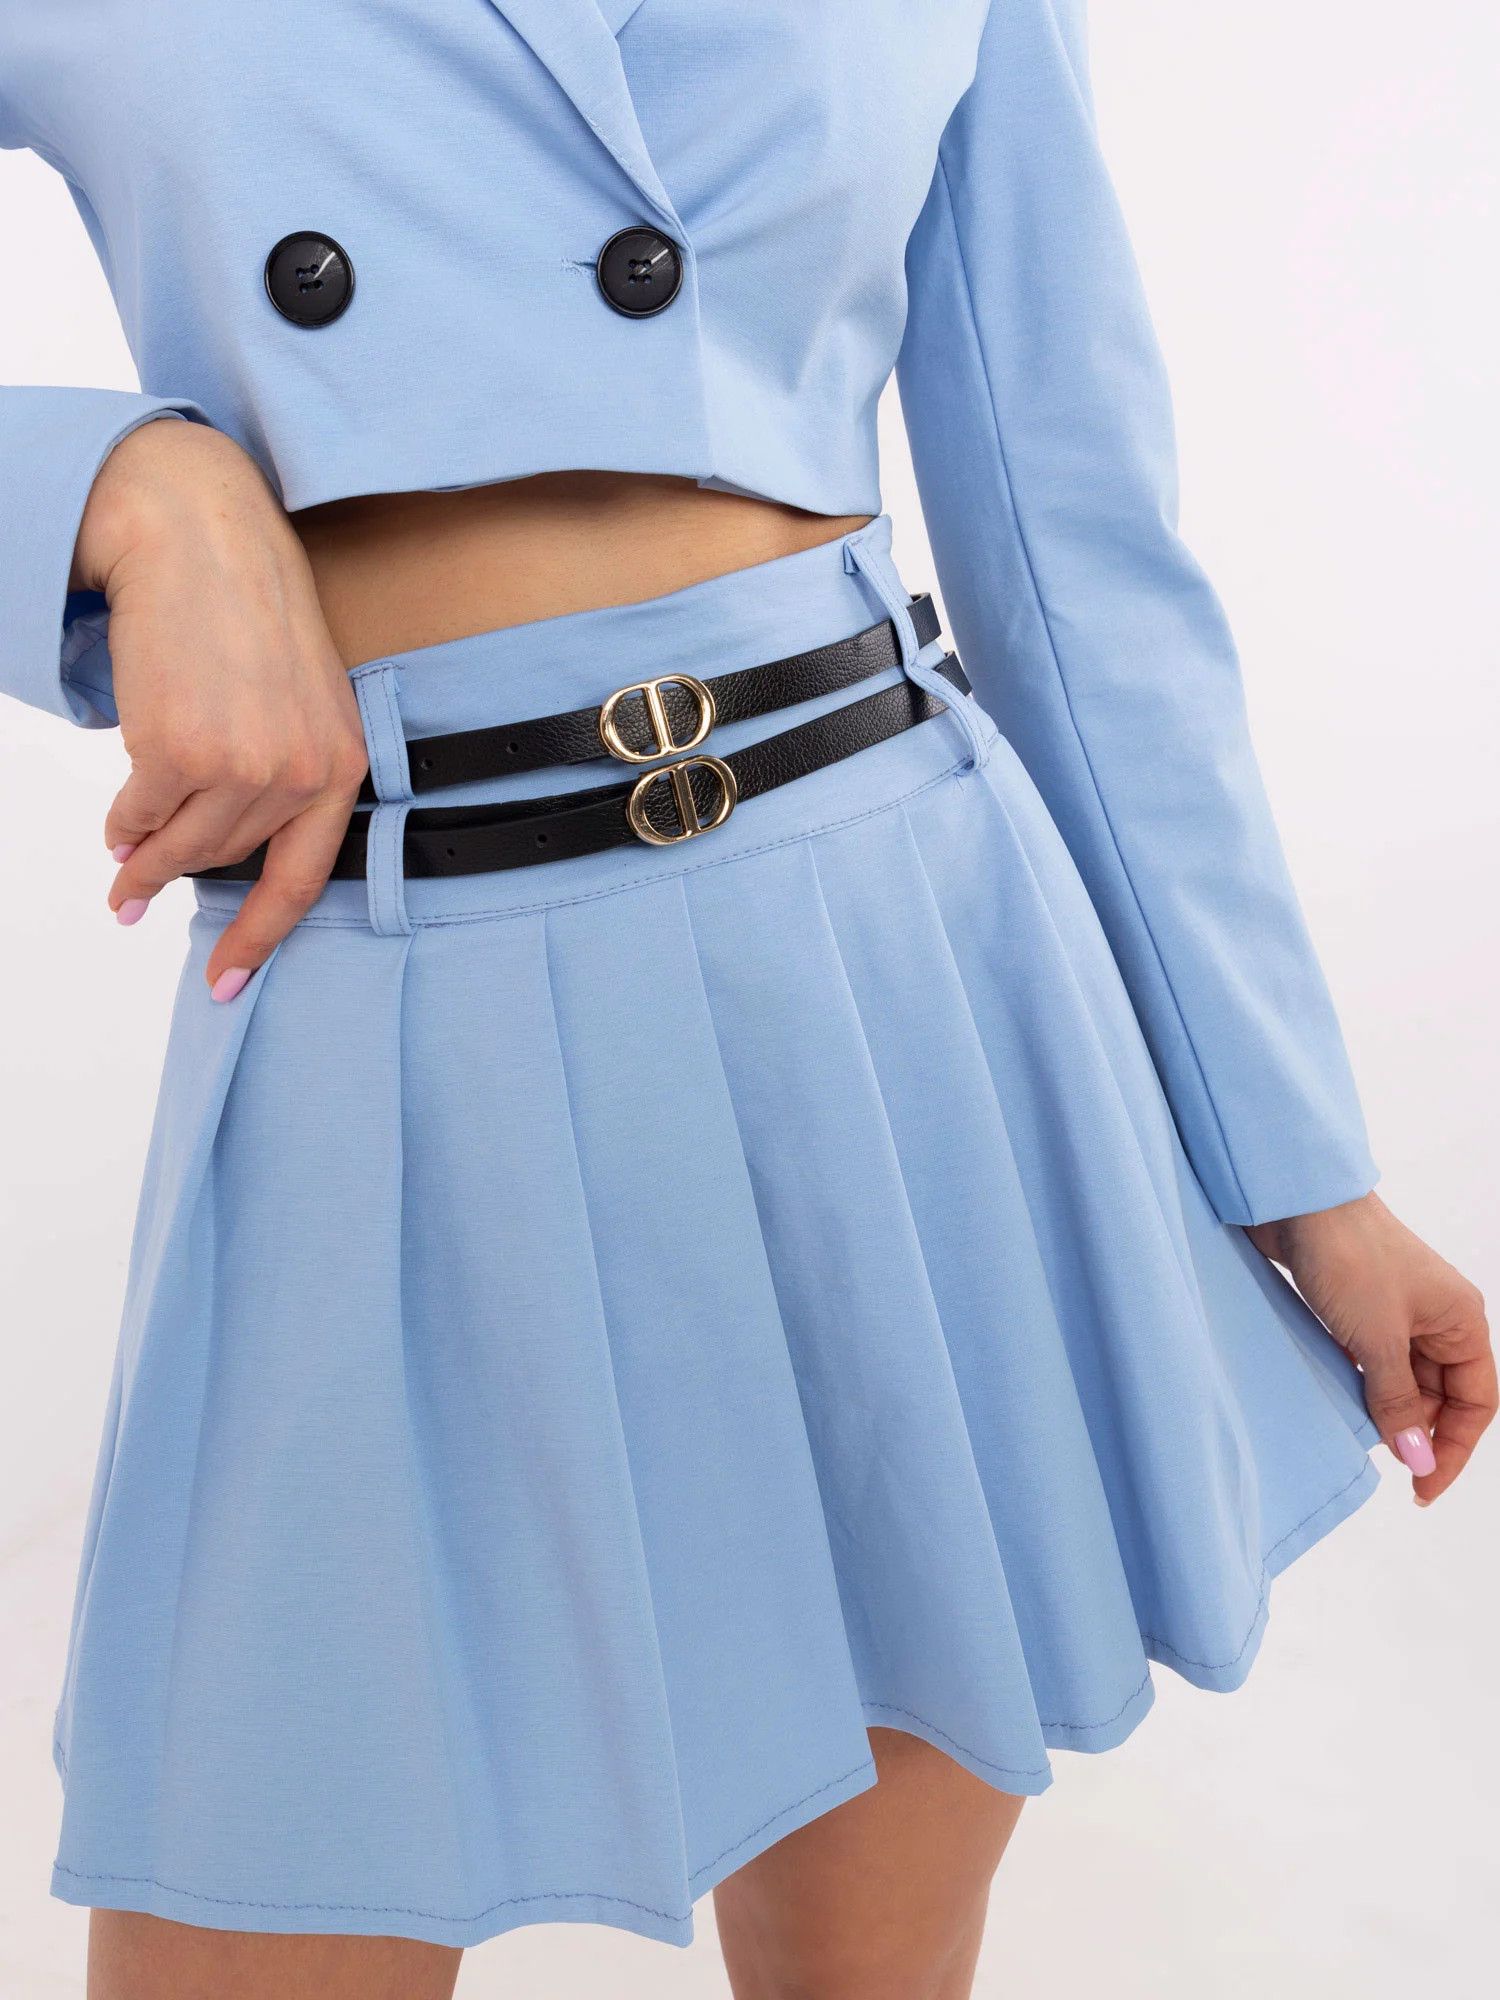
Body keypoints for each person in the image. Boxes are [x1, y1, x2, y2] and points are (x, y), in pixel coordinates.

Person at [1, 5, 1492, 1997]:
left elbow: (1072, 541)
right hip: (392, 1000)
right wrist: (123, 489)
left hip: (890, 969)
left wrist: (1299, 1160)